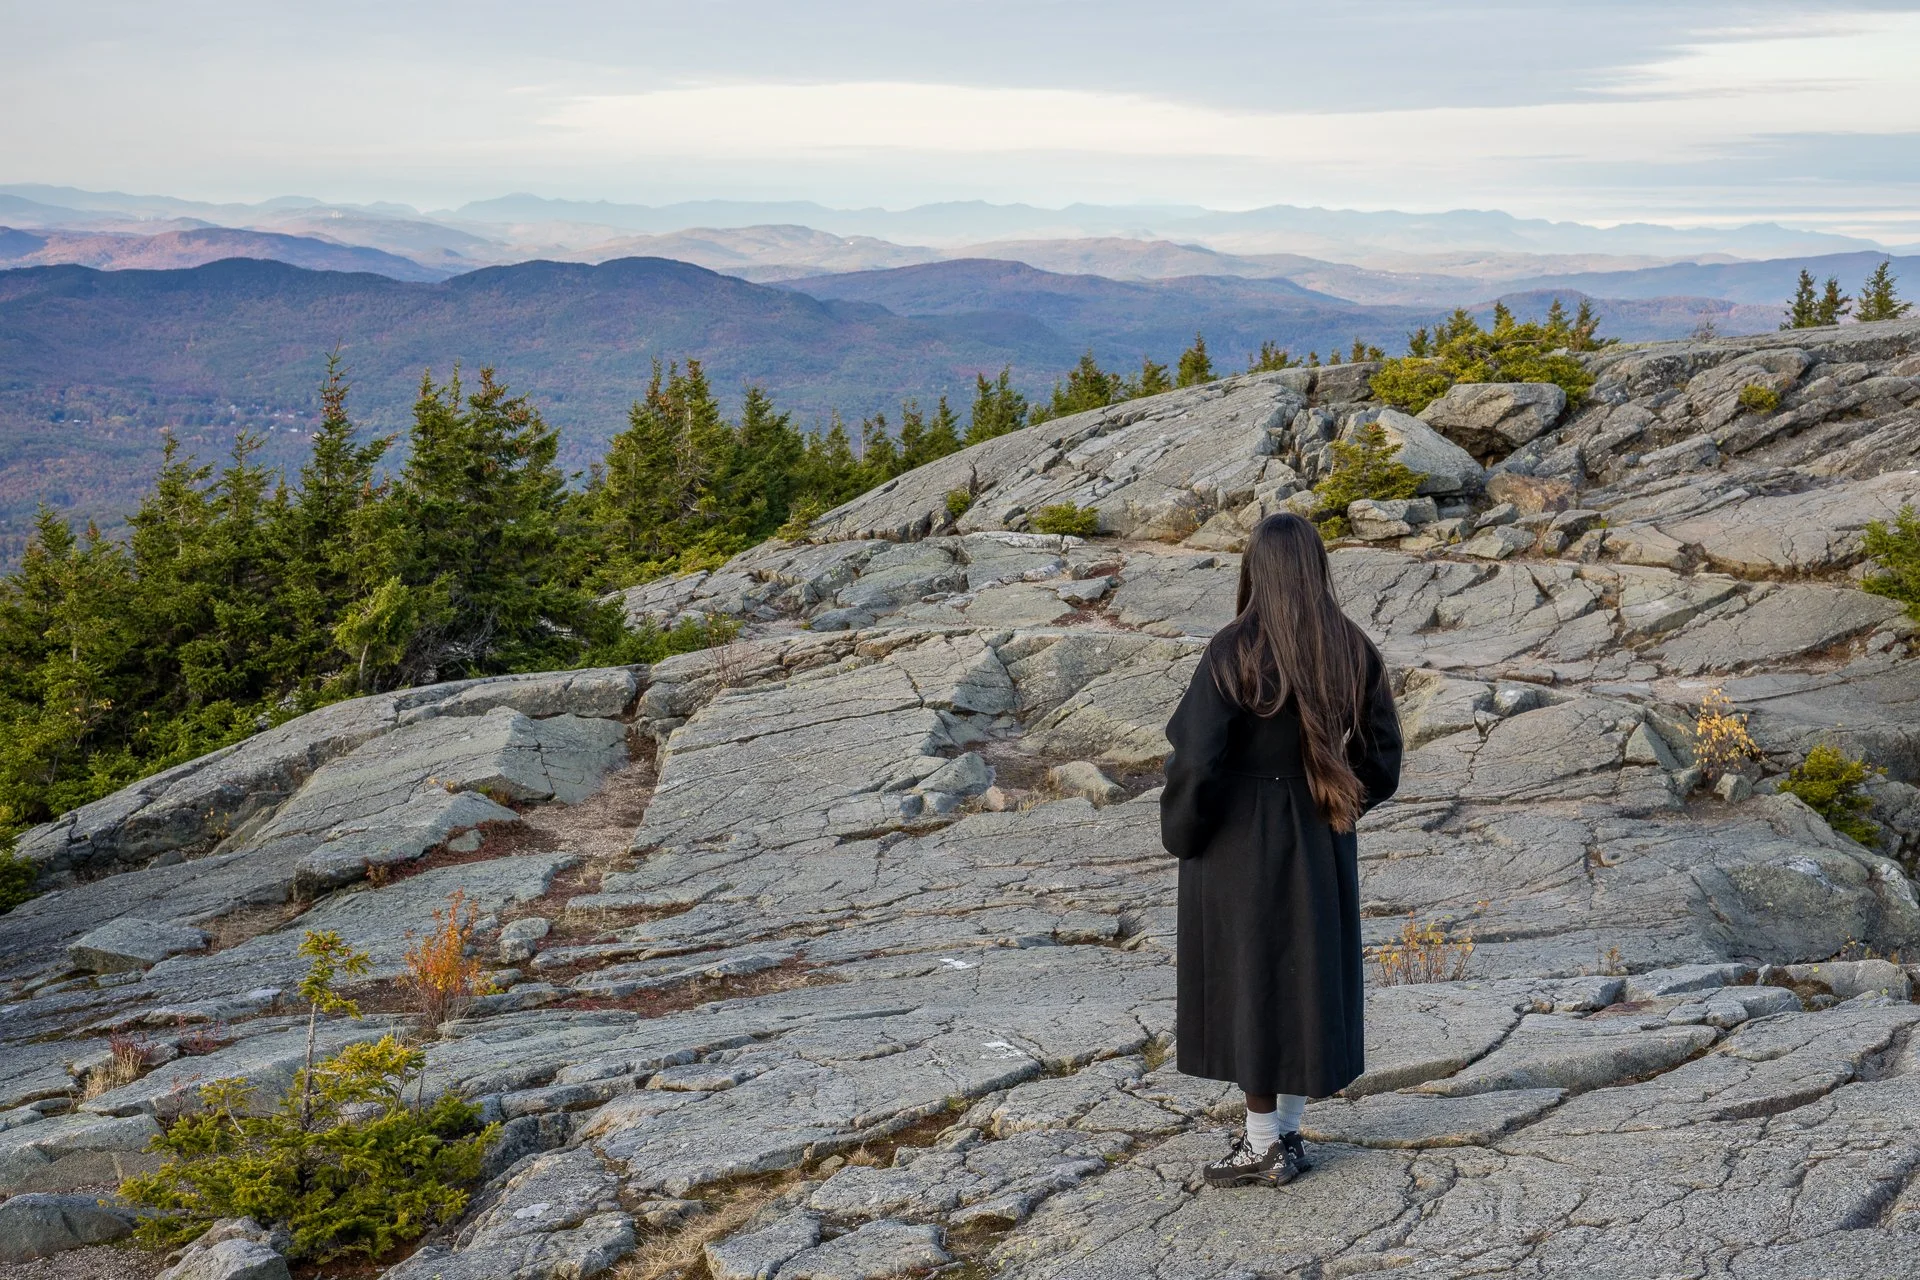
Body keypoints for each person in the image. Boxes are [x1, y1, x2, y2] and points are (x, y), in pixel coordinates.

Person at [1160, 512, 1403, 1189]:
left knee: (1254, 984)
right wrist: (1339, 803)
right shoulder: (1351, 646)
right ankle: (1285, 1136)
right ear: (1315, 568)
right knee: (1299, 979)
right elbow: (1382, 758)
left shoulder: (1233, 650)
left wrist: (1185, 832)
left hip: (1241, 843)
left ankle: (1265, 1142)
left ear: (1255, 570)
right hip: (1320, 836)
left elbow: (1198, 761)